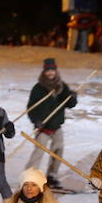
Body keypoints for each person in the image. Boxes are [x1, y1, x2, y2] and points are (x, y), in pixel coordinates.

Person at [24, 58, 77, 189]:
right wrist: (36, 121)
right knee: (38, 152)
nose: (50, 73)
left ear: (56, 70)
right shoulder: (38, 88)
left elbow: (70, 104)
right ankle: (29, 176)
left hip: (56, 125)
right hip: (43, 127)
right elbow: (31, 108)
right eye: (48, 70)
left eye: (52, 70)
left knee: (58, 150)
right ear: (44, 71)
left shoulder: (62, 86)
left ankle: (52, 176)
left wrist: (73, 97)